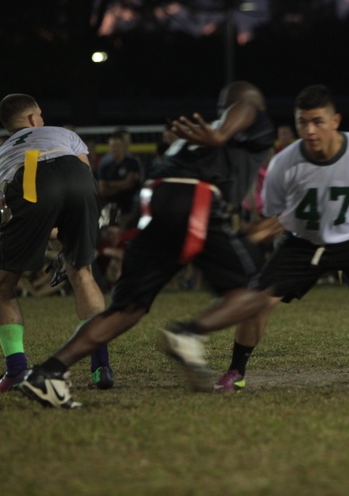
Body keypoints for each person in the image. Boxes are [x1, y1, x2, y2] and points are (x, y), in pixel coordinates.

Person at [149, 85, 349, 394]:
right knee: (258, 299)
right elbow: (277, 211)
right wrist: (272, 228)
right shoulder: (284, 164)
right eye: (302, 122)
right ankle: (236, 370)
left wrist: (348, 221)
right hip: (305, 240)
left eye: (318, 121)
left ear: (335, 121)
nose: (310, 130)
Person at [18, 81, 276, 408]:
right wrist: (223, 133)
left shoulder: (195, 138)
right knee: (257, 292)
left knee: (127, 309)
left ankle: (48, 373)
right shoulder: (246, 114)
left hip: (155, 198)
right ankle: (188, 333)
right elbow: (245, 108)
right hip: (193, 196)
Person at [0, 93, 114, 392]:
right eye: (40, 115)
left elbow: (11, 212)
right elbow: (80, 175)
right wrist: (64, 238)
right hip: (77, 176)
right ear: (31, 119)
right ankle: (100, 366)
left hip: (27, 178)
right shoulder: (64, 134)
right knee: (82, 271)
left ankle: (16, 371)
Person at [96, 128, 143, 227]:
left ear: (123, 146)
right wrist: (122, 186)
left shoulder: (132, 162)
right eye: (112, 146)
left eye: (117, 146)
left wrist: (110, 184)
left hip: (128, 209)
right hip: (109, 209)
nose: (115, 148)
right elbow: (102, 190)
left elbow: (129, 184)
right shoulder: (105, 165)